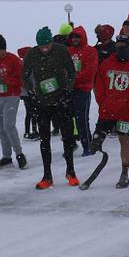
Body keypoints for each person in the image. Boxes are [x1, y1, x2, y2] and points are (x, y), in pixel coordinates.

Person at [22, 26, 78, 189]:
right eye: (42, 46)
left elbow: (71, 72)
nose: (45, 49)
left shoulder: (61, 51)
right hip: (42, 102)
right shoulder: (32, 54)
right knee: (44, 140)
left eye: (47, 45)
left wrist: (67, 90)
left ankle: (71, 172)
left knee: (67, 138)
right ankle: (47, 176)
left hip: (61, 99)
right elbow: (24, 75)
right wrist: (31, 92)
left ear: (52, 42)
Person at [90, 35, 129, 188]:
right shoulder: (107, 64)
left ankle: (124, 172)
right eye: (118, 46)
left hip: (125, 113)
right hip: (107, 110)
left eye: (124, 45)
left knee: (124, 140)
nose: (120, 48)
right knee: (97, 136)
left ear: (128, 47)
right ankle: (98, 140)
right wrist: (103, 102)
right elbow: (99, 85)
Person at [0, 34, 27, 170]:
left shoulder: (14, 60)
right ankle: (6, 157)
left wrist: (4, 80)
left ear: (2, 49)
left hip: (11, 95)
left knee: (8, 125)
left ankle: (19, 154)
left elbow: (21, 80)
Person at [67, 26, 98, 156]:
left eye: (77, 37)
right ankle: (70, 145)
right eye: (73, 37)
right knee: (68, 119)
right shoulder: (68, 51)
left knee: (82, 119)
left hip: (83, 90)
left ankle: (87, 145)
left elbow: (90, 71)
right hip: (69, 90)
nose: (75, 39)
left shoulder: (90, 51)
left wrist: (73, 79)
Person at [16, 46, 39, 140]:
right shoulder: (30, 65)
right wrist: (34, 90)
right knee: (33, 112)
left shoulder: (22, 64)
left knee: (29, 112)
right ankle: (34, 131)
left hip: (24, 93)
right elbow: (32, 80)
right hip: (30, 92)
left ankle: (27, 131)